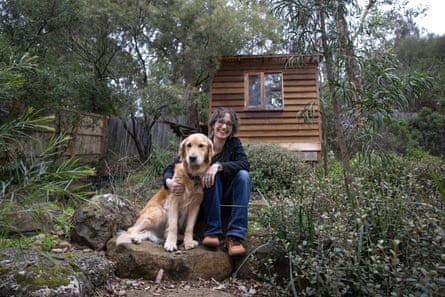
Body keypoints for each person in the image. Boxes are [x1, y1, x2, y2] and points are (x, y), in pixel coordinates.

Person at [163, 107, 251, 256]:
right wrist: (168, 181)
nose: (224, 127)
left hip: (227, 200)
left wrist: (218, 166)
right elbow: (173, 166)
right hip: (207, 202)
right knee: (211, 177)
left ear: (233, 128)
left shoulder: (234, 144)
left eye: (229, 124)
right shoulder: (201, 143)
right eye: (220, 122)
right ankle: (212, 232)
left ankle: (235, 237)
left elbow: (245, 164)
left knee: (244, 175)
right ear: (213, 124)